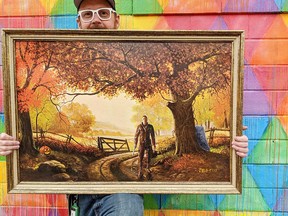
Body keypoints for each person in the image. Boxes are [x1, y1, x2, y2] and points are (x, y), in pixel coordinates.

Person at [0, 0, 249, 215]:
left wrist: (231, 151)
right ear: (78, 22)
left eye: (103, 13)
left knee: (126, 202)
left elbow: (188, 133)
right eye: (87, 14)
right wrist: (12, 146)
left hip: (123, 195)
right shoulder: (51, 61)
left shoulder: (148, 54)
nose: (95, 19)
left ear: (116, 20)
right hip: (79, 195)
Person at [134, 115, 156, 180]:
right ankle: (140, 169)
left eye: (145, 119)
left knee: (149, 155)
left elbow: (153, 136)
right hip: (141, 143)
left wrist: (154, 144)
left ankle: (148, 167)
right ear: (142, 120)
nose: (144, 120)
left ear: (147, 119)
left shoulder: (150, 127)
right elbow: (136, 136)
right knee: (140, 156)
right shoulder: (139, 127)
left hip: (148, 143)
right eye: (143, 119)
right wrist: (135, 143)